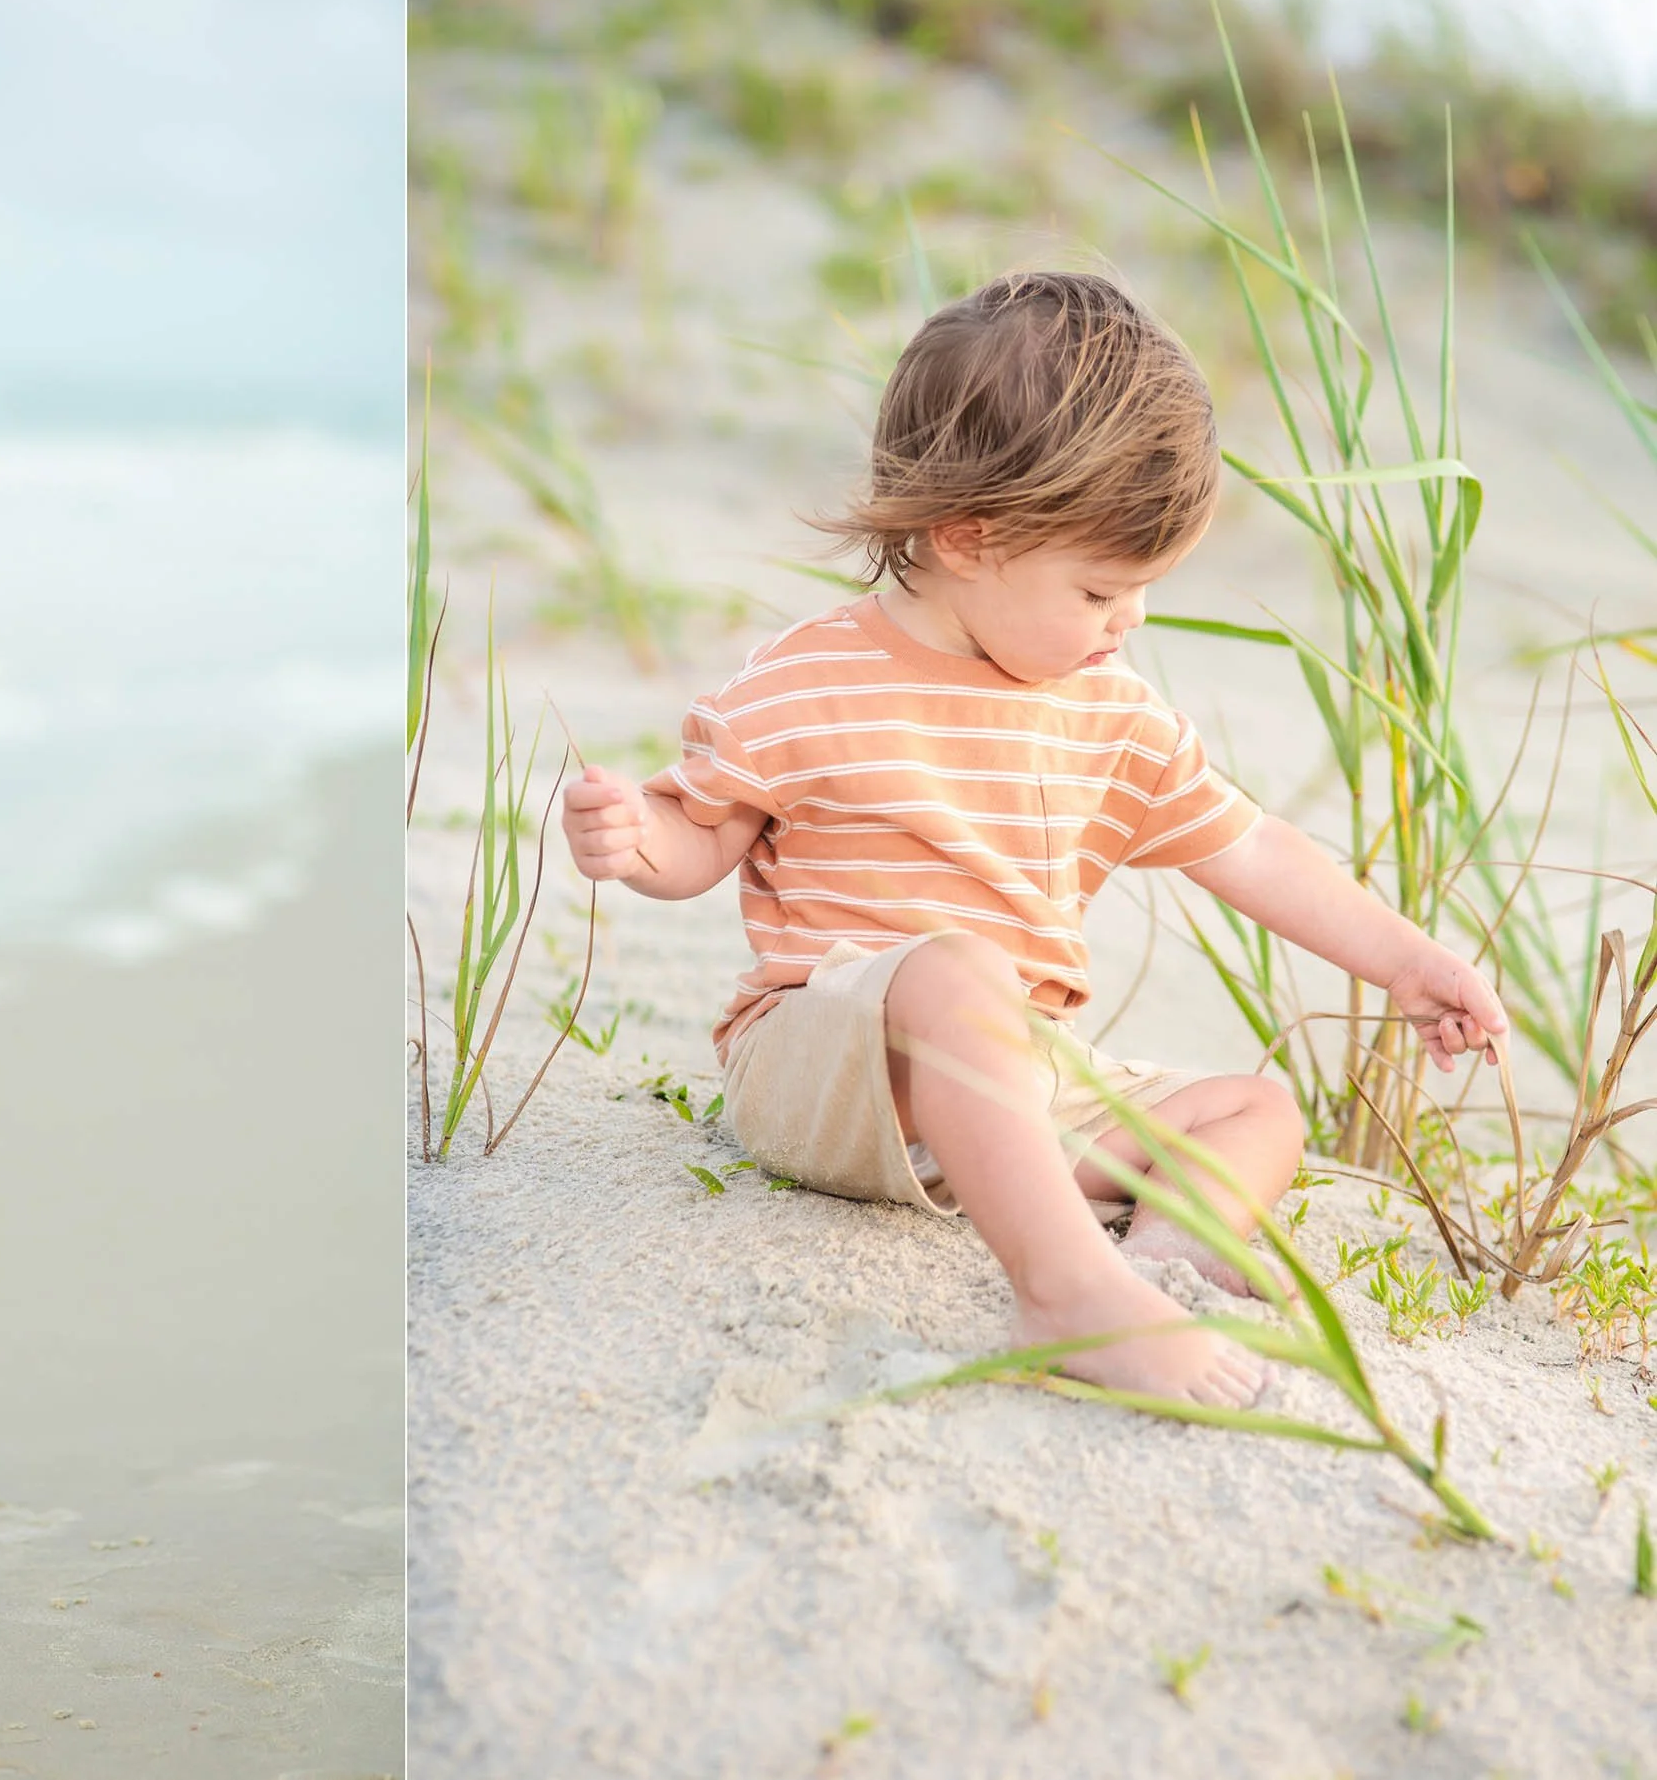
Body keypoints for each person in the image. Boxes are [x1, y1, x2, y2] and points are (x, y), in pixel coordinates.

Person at [558, 271, 1505, 1410]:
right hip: (829, 1066)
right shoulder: (812, 678)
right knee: (958, 971)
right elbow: (700, 841)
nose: (1131, 623)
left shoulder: (1107, 708)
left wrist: (1406, 960)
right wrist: (635, 841)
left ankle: (1155, 1263)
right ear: (969, 536)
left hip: (1011, 1096)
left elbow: (1250, 849)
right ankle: (1062, 1290)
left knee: (1252, 1111)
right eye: (1102, 589)